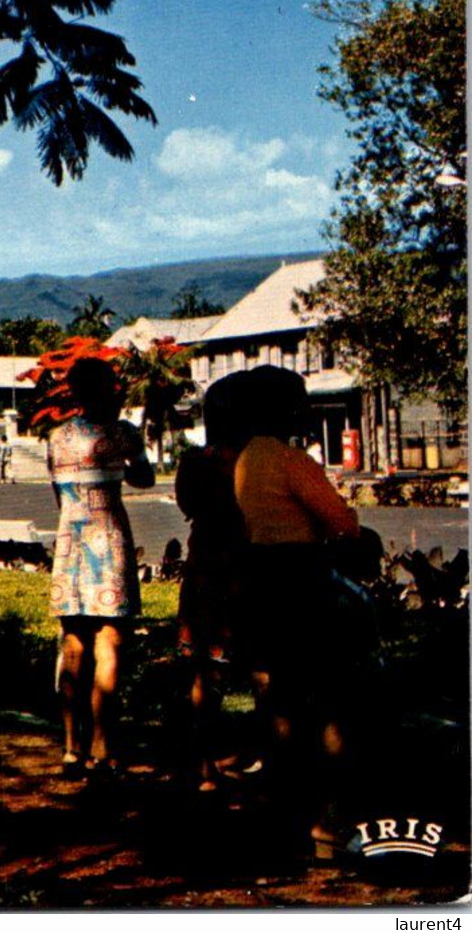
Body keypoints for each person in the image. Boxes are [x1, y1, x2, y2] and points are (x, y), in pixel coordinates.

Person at [231, 366, 365, 858]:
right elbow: (342, 524)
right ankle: (330, 824)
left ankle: (287, 811)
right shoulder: (293, 460)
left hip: (261, 579)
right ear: (285, 409)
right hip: (302, 580)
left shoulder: (248, 458)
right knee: (331, 699)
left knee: (282, 702)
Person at [45, 357, 154, 778]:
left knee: (72, 643)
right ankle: (104, 748)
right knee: (109, 643)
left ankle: (71, 748)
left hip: (69, 541)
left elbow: (59, 493)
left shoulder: (57, 437)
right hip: (108, 540)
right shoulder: (123, 433)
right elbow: (143, 479)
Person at [174, 371, 253, 791]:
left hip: (203, 563)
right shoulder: (252, 461)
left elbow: (187, 505)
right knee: (263, 671)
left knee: (205, 673)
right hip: (246, 564)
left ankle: (203, 763)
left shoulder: (194, 462)